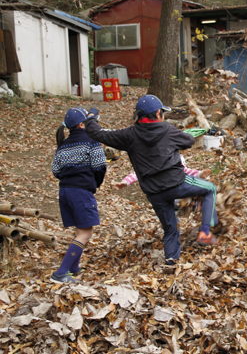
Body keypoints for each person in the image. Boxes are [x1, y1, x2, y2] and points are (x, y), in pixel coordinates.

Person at [84, 95, 219, 267]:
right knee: (210, 188)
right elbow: (189, 141)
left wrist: (91, 117)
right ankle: (206, 232)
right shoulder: (167, 130)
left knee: (170, 227)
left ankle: (171, 261)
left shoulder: (128, 135)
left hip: (154, 193)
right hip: (177, 184)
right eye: (162, 112)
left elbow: (96, 133)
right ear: (157, 113)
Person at [51, 108, 107, 284]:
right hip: (81, 192)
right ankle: (61, 272)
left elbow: (56, 170)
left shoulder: (64, 145)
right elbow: (100, 166)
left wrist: (70, 176)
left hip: (65, 191)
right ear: (83, 124)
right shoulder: (92, 141)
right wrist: (94, 183)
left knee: (79, 230)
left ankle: (74, 268)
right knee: (86, 232)